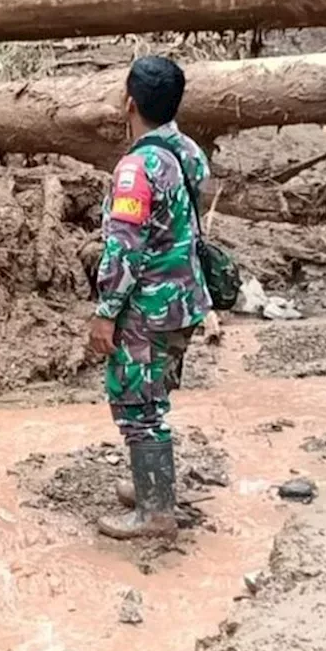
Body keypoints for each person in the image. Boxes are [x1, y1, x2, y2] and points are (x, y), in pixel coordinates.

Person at [88, 55, 212, 540]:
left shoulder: (136, 168)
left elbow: (124, 248)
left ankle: (156, 511)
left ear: (129, 102)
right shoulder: (188, 151)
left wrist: (105, 313)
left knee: (138, 403)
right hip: (185, 300)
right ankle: (151, 487)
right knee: (155, 397)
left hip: (148, 308)